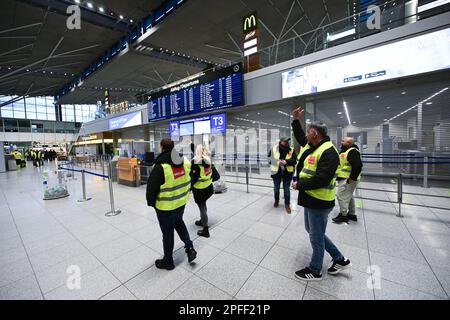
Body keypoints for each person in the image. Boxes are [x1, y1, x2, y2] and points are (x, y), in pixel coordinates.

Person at [291, 107, 351, 281]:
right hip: (311, 198)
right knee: (312, 231)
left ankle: (315, 270)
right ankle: (340, 259)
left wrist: (299, 185)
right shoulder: (314, 145)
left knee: (315, 236)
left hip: (320, 200)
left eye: (309, 132)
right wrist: (295, 120)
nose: (307, 135)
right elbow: (300, 137)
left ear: (315, 133)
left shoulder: (329, 152)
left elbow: (322, 179)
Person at [146, 138, 197, 270]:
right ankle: (189, 247)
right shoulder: (184, 161)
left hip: (165, 207)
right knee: (179, 223)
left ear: (162, 147)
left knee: (167, 233)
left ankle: (168, 261)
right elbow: (193, 176)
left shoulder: (160, 167)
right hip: (180, 203)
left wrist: (151, 203)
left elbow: (151, 189)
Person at [191, 144, 220, 238]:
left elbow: (193, 177)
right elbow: (216, 175)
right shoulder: (208, 160)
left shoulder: (195, 162)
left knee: (202, 208)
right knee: (203, 204)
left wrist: (189, 187)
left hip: (200, 189)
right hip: (208, 188)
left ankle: (205, 229)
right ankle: (202, 220)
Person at [333, 137, 363, 224]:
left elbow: (358, 165)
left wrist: (352, 178)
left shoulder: (352, 151)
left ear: (349, 143)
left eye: (343, 141)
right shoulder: (346, 151)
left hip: (347, 179)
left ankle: (343, 215)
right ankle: (352, 214)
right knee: (349, 196)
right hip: (344, 178)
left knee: (341, 196)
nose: (341, 142)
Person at [268, 137, 297, 214]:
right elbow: (269, 159)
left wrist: (286, 162)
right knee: (276, 188)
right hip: (276, 172)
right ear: (281, 142)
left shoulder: (291, 149)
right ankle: (276, 201)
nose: (287, 142)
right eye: (285, 141)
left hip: (287, 173)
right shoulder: (274, 149)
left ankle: (287, 205)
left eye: (288, 141)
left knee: (286, 189)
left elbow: (294, 161)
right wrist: (277, 162)